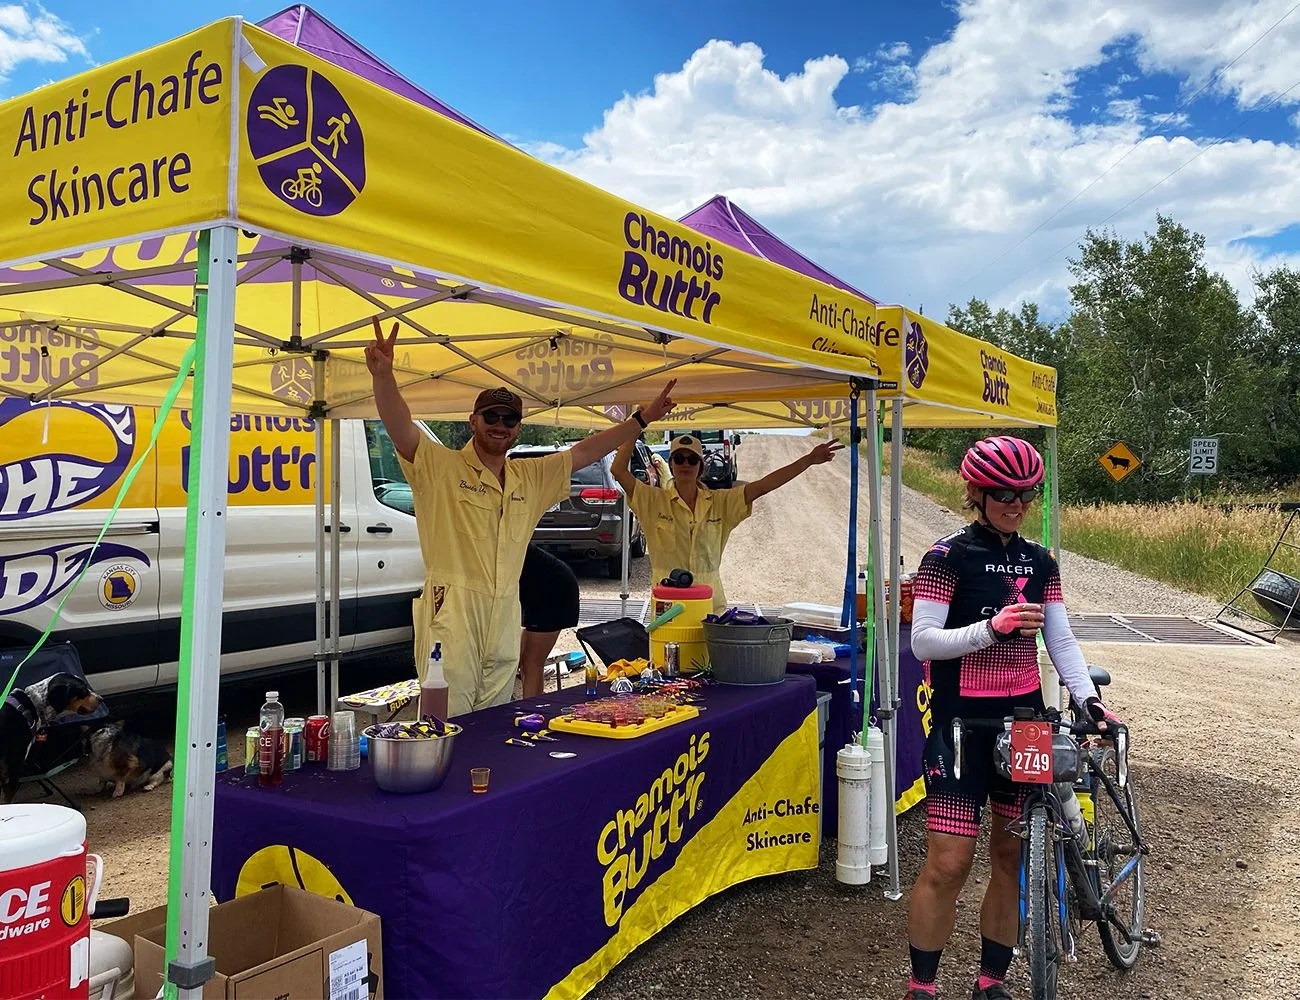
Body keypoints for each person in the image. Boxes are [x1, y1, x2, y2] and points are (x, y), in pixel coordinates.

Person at [365, 317, 677, 716]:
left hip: (505, 611)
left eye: (509, 420)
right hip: (453, 610)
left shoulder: (530, 476)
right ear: (473, 421)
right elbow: (400, 427)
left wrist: (640, 420)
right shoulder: (440, 467)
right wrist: (383, 377)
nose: (500, 426)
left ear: (518, 429)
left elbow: (585, 451)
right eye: (491, 417)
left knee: (496, 715)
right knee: (447, 717)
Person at [904, 436, 1122, 1000]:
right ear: (976, 493)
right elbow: (924, 642)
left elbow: (1061, 640)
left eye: (1028, 493)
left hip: (1025, 723)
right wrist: (992, 628)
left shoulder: (1041, 561)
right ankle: (922, 985)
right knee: (949, 864)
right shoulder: (945, 558)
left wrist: (1087, 699)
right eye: (1004, 493)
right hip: (961, 727)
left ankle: (991, 981)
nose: (1017, 503)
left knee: (1009, 855)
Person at [611, 432, 843, 612]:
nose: (685, 464)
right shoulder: (652, 501)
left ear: (701, 466)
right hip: (667, 608)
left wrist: (809, 460)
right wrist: (638, 422)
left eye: (692, 459)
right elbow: (618, 470)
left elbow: (763, 486)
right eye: (679, 458)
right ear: (670, 464)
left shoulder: (721, 502)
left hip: (711, 607)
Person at [518, 543, 579, 697]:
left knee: (531, 663)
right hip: (539, 588)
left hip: (553, 590)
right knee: (521, 661)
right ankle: (530, 705)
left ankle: (532, 709)